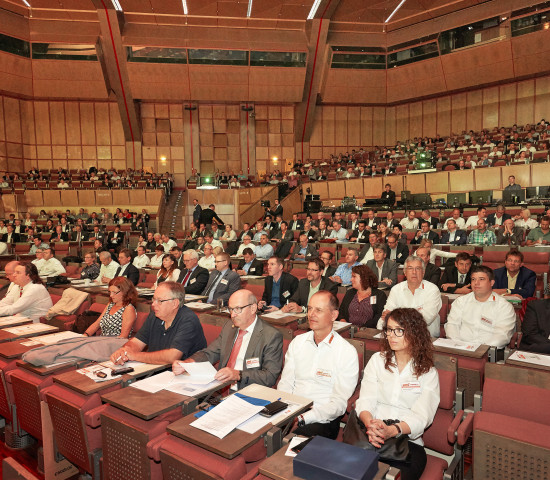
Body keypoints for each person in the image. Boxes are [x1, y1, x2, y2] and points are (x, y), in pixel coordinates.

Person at [356, 308, 439, 480]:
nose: (391, 335)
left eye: (399, 330)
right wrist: (370, 424)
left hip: (407, 443)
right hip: (371, 434)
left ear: (415, 333)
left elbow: (422, 417)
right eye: (389, 329)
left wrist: (392, 430)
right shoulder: (377, 361)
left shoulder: (428, 373)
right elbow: (365, 400)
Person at [278, 291, 359, 439]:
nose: (311, 314)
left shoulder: (346, 352)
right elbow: (286, 382)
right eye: (309, 309)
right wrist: (286, 411)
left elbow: (338, 403)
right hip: (291, 410)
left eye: (319, 310)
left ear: (334, 315)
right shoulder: (298, 342)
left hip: (321, 418)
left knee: (290, 451)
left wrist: (304, 418)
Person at [173, 290, 283, 389]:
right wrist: (187, 363)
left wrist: (238, 375)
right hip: (219, 388)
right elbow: (209, 353)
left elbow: (270, 376)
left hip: (248, 391)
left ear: (253, 308)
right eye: (230, 309)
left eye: (238, 309)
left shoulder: (271, 336)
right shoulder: (229, 327)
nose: (232, 314)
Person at [111, 282, 206, 365]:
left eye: (160, 301)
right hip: (154, 370)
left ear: (175, 303)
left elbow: (172, 356)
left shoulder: (188, 319)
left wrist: (134, 355)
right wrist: (124, 351)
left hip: (183, 375)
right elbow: (137, 342)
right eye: (153, 299)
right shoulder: (155, 315)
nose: (153, 304)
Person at [445, 266, 516, 348]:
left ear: (492, 282)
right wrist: (458, 346)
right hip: (460, 349)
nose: (476, 283)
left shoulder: (504, 306)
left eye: (481, 279)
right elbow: (452, 325)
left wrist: (480, 350)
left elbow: (502, 335)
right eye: (473, 279)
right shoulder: (461, 301)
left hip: (488, 352)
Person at [380, 256, 442, 338]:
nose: (414, 272)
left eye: (418, 268)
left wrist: (396, 317)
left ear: (423, 272)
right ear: (404, 272)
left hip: (425, 337)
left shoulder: (432, 290)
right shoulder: (396, 289)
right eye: (410, 268)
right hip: (398, 336)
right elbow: (386, 315)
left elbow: (426, 319)